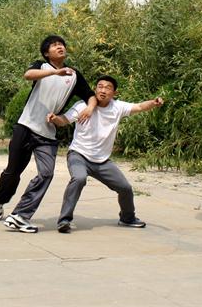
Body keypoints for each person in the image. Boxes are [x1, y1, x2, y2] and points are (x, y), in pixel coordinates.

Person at [0, 35, 97, 234]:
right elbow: (28, 75)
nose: (60, 47)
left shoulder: (74, 75)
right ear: (47, 53)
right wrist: (55, 72)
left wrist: (90, 108)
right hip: (26, 127)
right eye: (55, 45)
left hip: (47, 134)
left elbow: (90, 95)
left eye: (61, 44)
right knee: (13, 172)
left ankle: (20, 215)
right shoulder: (42, 66)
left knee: (47, 173)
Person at [47, 75, 164, 232]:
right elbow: (64, 120)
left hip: (102, 161)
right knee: (79, 178)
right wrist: (55, 118)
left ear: (114, 93)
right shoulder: (82, 105)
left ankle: (127, 218)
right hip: (78, 155)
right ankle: (64, 220)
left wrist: (153, 103)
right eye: (100, 86)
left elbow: (139, 107)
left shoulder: (118, 107)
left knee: (125, 188)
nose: (103, 90)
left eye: (108, 88)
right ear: (95, 89)